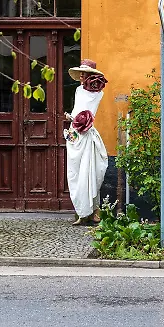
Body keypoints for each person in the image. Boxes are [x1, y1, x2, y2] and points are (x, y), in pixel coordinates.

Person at [64, 59, 109, 225]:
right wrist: (72, 118)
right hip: (75, 132)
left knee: (89, 172)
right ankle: (82, 212)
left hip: (87, 134)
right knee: (75, 172)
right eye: (80, 72)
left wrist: (76, 118)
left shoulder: (98, 93)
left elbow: (88, 112)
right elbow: (79, 110)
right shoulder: (77, 90)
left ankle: (93, 210)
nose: (81, 75)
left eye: (84, 72)